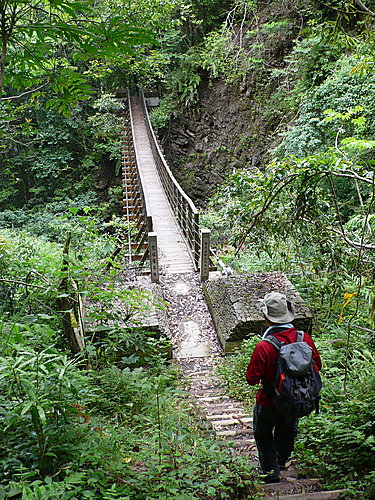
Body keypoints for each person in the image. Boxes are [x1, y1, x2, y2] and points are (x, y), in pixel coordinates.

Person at [246, 291, 322, 483]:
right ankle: (281, 460)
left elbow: (251, 379)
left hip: (269, 400)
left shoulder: (264, 346)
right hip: (296, 398)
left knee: (263, 433)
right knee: (287, 428)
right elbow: (317, 366)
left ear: (266, 317)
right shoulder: (304, 338)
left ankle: (271, 474)